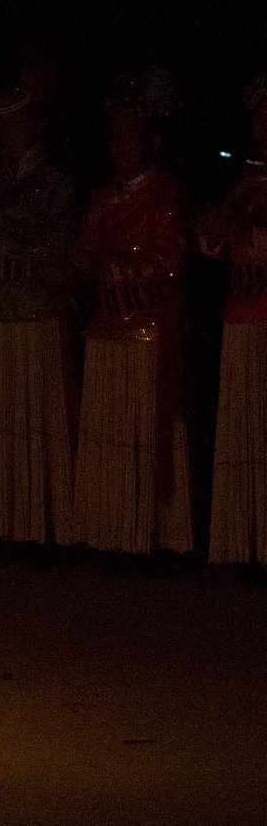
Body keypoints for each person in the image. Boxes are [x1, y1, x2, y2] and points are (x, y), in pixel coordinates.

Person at [0, 73, 79, 545]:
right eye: (0, 122)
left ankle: (40, 526)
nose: (6, 130)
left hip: (32, 307)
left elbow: (54, 241)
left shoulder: (56, 182)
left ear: (37, 124)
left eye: (15, 121)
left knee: (34, 418)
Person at [70, 69, 192, 557]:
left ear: (150, 140)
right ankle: (113, 531)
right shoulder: (101, 196)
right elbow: (84, 247)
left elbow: (168, 259)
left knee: (145, 428)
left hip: (147, 328)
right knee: (111, 430)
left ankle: (153, 536)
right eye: (114, 135)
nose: (118, 144)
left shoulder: (164, 193)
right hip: (104, 326)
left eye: (128, 134)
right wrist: (77, 267)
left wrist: (104, 265)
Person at [202, 75, 267, 564]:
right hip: (242, 317)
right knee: (247, 432)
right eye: (259, 119)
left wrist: (245, 230)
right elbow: (215, 248)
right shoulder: (245, 182)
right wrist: (211, 233)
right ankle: (248, 543)